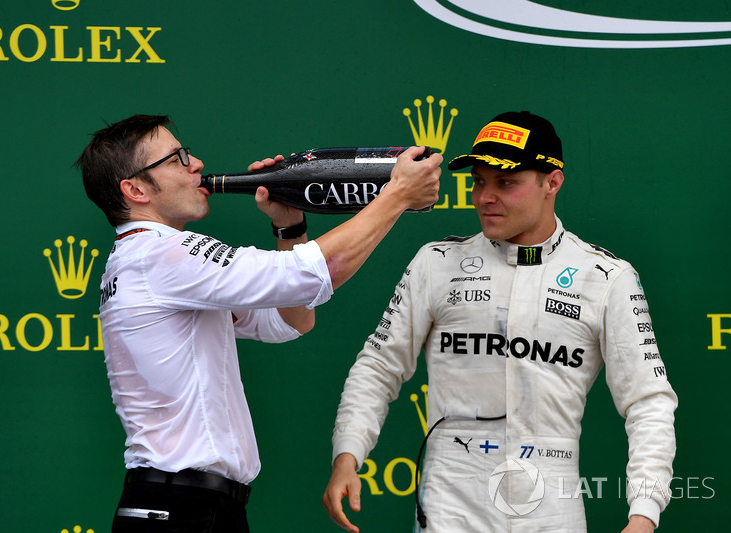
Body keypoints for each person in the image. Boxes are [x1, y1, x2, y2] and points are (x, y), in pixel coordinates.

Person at [75, 114, 442, 533]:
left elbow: (292, 320)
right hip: (176, 508)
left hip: (195, 505)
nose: (196, 163)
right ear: (135, 189)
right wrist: (396, 195)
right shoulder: (157, 255)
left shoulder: (146, 261)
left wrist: (289, 225)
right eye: (177, 158)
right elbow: (319, 272)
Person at [322, 111, 677, 533]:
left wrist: (644, 515)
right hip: (449, 508)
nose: (485, 196)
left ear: (552, 182)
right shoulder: (437, 263)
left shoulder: (605, 278)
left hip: (552, 513)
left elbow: (648, 402)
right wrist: (347, 453)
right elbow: (378, 367)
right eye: (478, 182)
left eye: (505, 182)